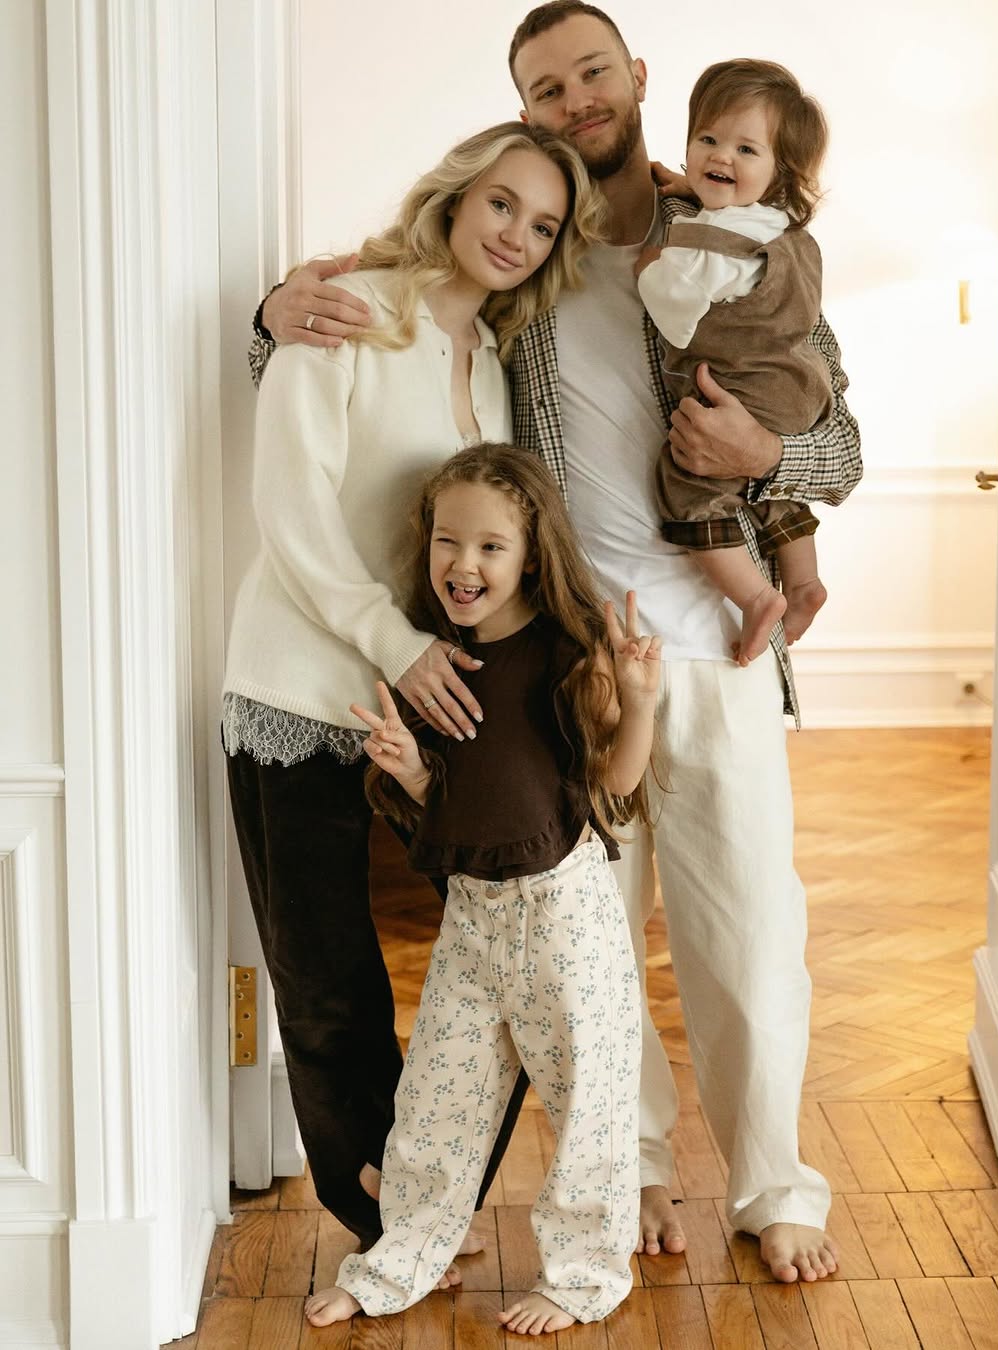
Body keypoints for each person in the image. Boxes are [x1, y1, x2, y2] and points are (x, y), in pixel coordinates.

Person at [254, 0, 862, 1284]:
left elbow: (840, 442)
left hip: (722, 646)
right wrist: (273, 310)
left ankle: (774, 1185)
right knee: (588, 945)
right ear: (524, 110)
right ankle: (625, 1169)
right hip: (576, 661)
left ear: (635, 77)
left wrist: (765, 452)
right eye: (547, 87)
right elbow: (397, 310)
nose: (576, 99)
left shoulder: (743, 235)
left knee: (751, 931)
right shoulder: (530, 264)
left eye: (593, 72)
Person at [224, 120, 604, 1256]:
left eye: (544, 226)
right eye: (503, 204)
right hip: (300, 690)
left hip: (434, 707)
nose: (517, 236)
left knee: (506, 965)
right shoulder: (347, 310)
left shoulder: (494, 358)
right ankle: (379, 1219)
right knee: (327, 979)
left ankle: (427, 1196)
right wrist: (391, 643)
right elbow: (290, 512)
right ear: (456, 195)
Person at [304, 444, 660, 1335]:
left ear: (531, 555)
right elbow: (456, 805)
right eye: (447, 542)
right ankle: (395, 1264)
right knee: (435, 1105)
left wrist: (641, 701)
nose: (464, 564)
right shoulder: (436, 664)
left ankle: (583, 1278)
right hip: (473, 917)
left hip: (565, 917)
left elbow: (616, 784)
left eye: (491, 546)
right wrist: (410, 769)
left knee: (589, 1108)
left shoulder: (568, 655)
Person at [635, 59, 832, 666]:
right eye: (708, 139)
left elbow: (677, 314)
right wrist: (694, 189)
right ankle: (804, 580)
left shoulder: (704, 241)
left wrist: (648, 270)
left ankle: (756, 597)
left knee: (690, 483)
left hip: (744, 388)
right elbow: (729, 217)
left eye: (746, 148)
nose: (721, 156)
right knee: (767, 490)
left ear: (779, 172)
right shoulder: (778, 225)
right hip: (799, 386)